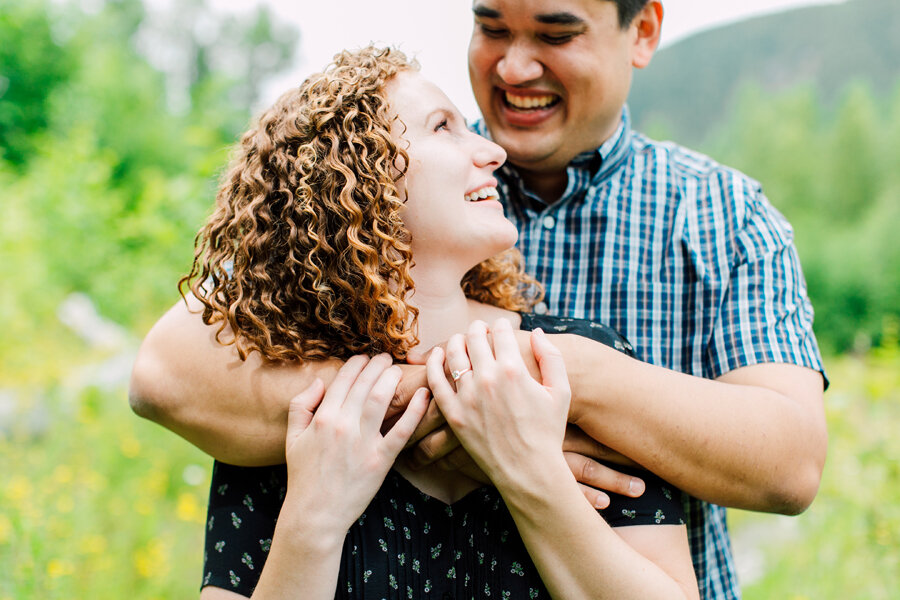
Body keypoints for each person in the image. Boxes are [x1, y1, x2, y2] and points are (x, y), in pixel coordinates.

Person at [130, 2, 828, 598]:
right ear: (362, 193)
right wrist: (463, 396)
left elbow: (791, 464)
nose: (514, 68)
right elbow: (169, 370)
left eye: (557, 35)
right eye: (491, 26)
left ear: (642, 33)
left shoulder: (722, 215)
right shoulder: (354, 224)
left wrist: (573, 379)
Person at [187, 46, 700, 598]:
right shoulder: (298, 414)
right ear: (359, 180)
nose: (492, 150)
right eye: (444, 128)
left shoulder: (581, 356)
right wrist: (313, 519)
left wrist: (528, 473)